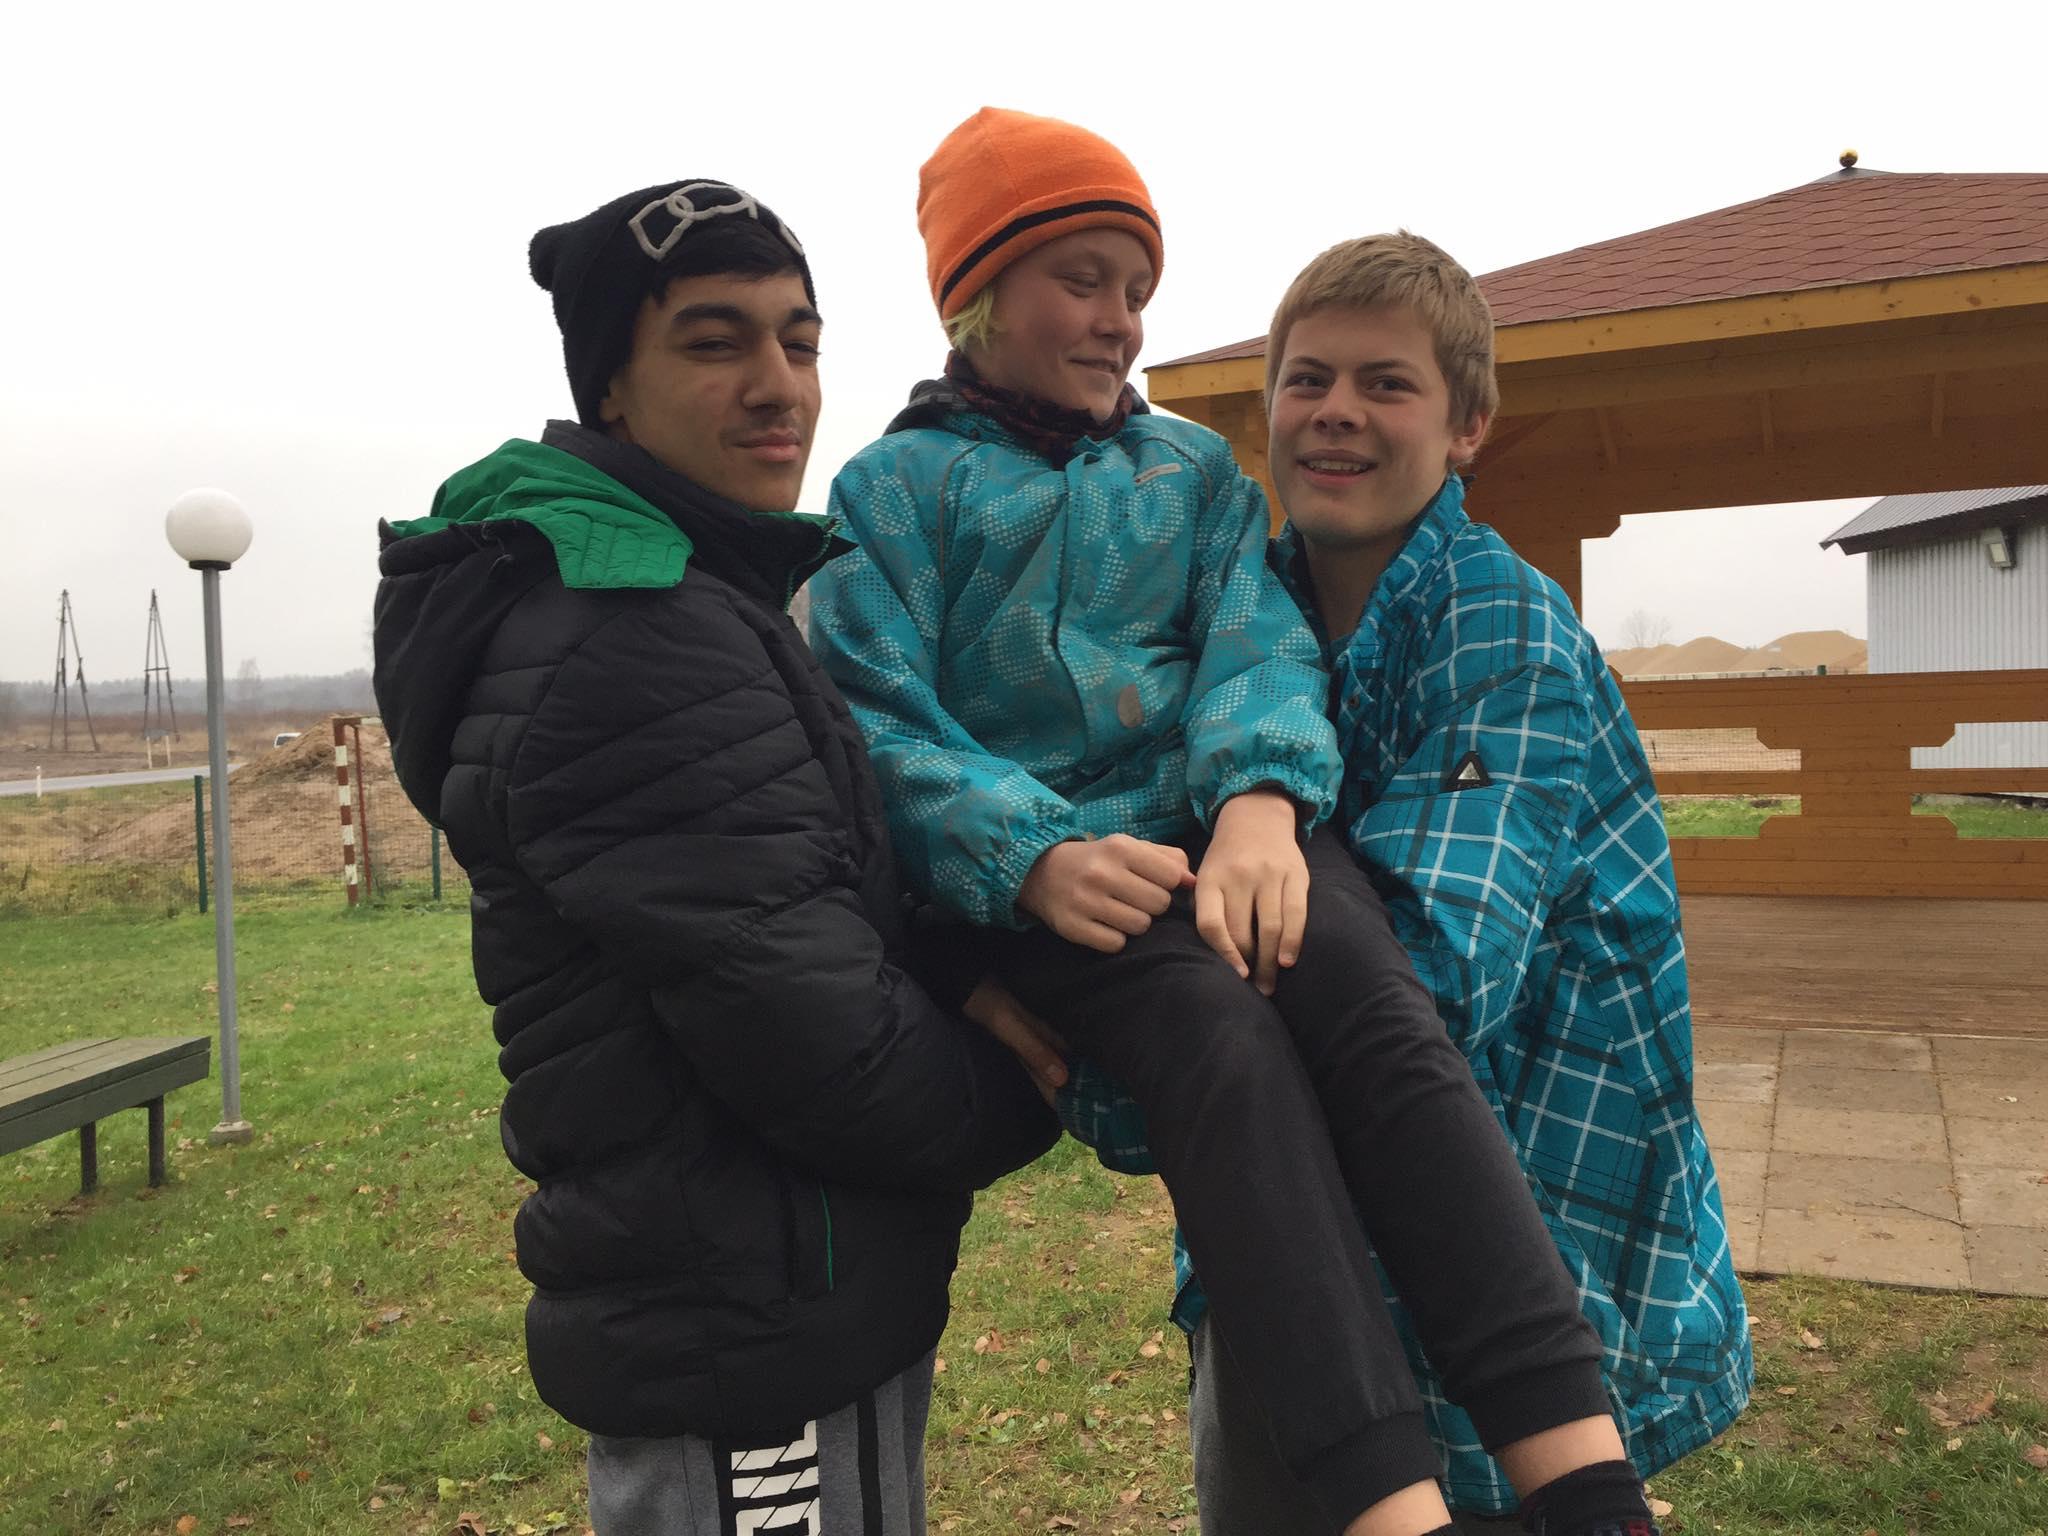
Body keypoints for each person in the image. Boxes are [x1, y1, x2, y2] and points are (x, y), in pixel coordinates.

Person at [808, 108, 1663, 1536]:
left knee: (1374, 1003)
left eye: (1137, 287)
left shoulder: (1192, 477)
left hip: (1242, 828)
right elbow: (868, 719)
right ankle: (1392, 1509)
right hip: (1074, 884)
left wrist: (1264, 799)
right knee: (1221, 1047)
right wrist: (1026, 854)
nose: (1120, 319)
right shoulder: (893, 496)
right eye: (1082, 280)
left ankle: (1588, 1486)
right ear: (975, 295)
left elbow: (1253, 637)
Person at [372, 178, 1058, 1536]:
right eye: (713, 341)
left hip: (767, 1284)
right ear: (609, 390)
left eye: (800, 342)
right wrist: (1048, 1078)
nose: (776, 385)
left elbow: (808, 903)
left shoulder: (686, 596)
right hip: (743, 1319)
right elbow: (812, 1030)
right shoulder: (631, 630)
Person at [1073, 232, 1754, 1533]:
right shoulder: (1222, 625)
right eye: (1308, 378)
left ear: (1467, 426)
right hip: (1283, 1275)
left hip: (1519, 1236)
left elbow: (1429, 980)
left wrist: (1118, 1055)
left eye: (1385, 383)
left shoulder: (1504, 629)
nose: (1336, 410)